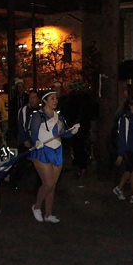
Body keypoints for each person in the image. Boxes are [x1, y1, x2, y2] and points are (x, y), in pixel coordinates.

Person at [28, 91, 80, 223]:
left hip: (57, 150)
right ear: (45, 100)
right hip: (43, 151)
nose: (55, 101)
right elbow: (33, 134)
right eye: (52, 98)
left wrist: (72, 131)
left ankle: (48, 214)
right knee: (48, 184)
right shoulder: (38, 115)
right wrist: (36, 142)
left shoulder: (59, 116)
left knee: (53, 185)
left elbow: (63, 134)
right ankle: (36, 207)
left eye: (56, 98)